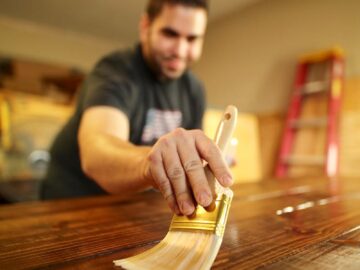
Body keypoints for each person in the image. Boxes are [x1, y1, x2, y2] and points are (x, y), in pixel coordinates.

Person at [41, 0, 233, 216]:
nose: (180, 50)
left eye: (192, 38)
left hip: (134, 210)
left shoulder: (194, 90)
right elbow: (96, 152)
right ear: (145, 27)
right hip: (72, 206)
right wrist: (152, 164)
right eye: (170, 34)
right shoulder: (114, 72)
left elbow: (189, 156)